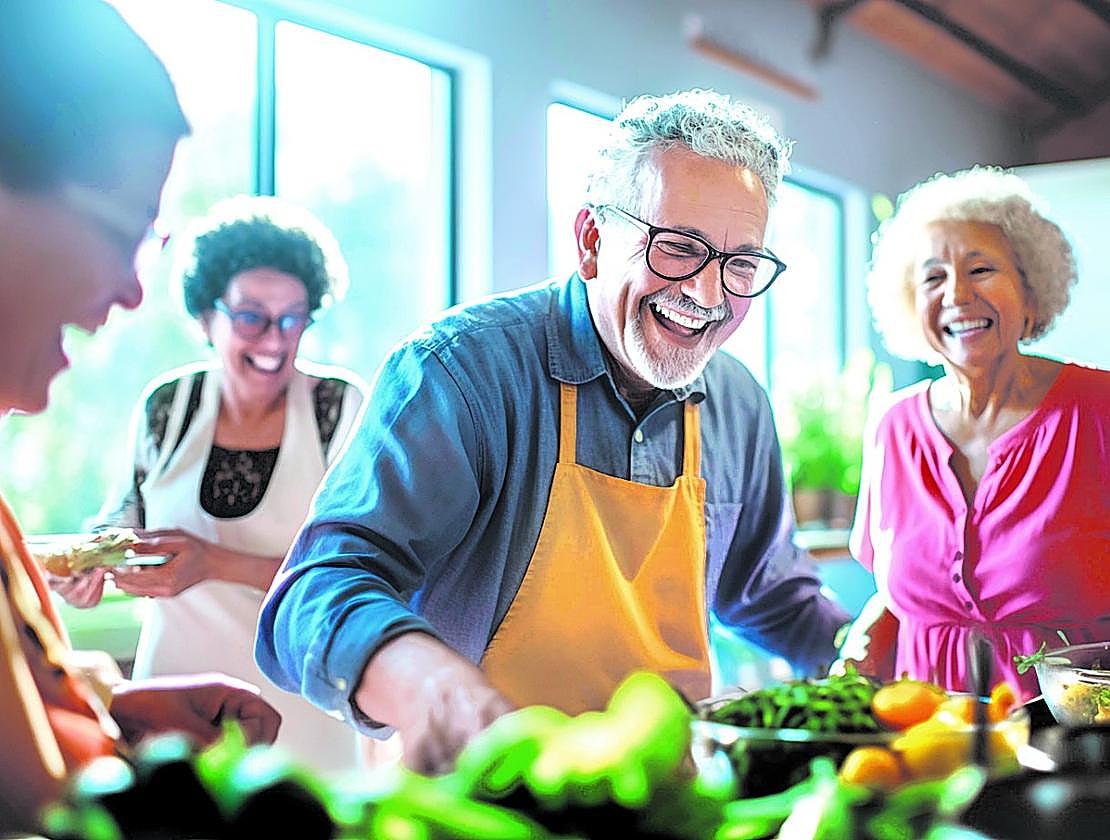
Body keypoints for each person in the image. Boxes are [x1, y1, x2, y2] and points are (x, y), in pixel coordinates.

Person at [256, 88, 851, 773]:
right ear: (593, 241)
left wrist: (888, 660)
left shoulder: (739, 404)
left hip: (660, 799)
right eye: (679, 248)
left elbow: (770, 594)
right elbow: (316, 590)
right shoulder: (462, 371)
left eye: (740, 264)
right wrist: (438, 690)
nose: (709, 295)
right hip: (475, 799)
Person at [0, 1, 279, 831]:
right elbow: (37, 797)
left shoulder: (340, 410)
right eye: (125, 230)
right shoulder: (167, 409)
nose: (129, 290)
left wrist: (119, 711)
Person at [843, 166, 1110, 699]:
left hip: (1090, 740)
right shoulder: (892, 427)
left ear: (1031, 291)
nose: (957, 294)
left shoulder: (1107, 408)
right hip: (933, 744)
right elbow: (902, 593)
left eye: (980, 269)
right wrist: (862, 644)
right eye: (933, 277)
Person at [58, 197, 366, 776]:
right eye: (251, 316)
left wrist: (213, 562)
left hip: (301, 709)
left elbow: (350, 572)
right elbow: (122, 516)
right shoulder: (168, 406)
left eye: (293, 316)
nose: (274, 339)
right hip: (169, 705)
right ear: (206, 317)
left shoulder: (339, 409)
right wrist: (92, 562)